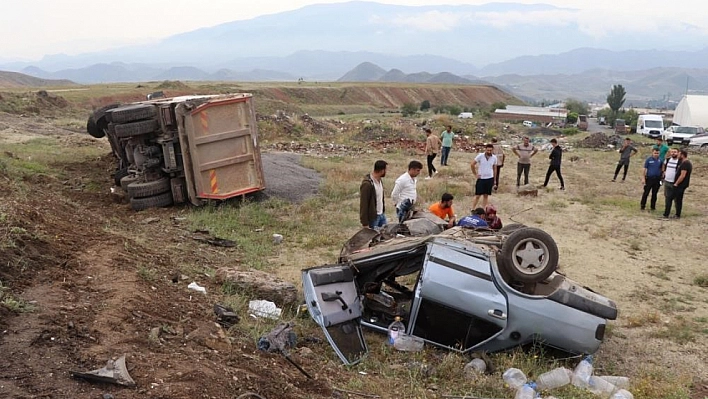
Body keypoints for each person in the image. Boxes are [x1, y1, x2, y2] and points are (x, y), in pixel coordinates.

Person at [663, 149, 692, 219]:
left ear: (682, 155)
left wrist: (676, 183)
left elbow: (682, 175)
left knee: (670, 198)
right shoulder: (684, 163)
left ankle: (667, 214)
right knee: (676, 199)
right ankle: (676, 214)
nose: (678, 155)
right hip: (678, 184)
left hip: (680, 185)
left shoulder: (685, 163)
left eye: (679, 154)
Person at [359, 160, 388, 229]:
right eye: (386, 170)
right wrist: (365, 223)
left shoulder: (380, 181)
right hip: (373, 218)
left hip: (381, 215)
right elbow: (364, 204)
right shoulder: (367, 184)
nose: (386, 172)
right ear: (382, 171)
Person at [470, 144, 497, 210]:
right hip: (481, 178)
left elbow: (495, 168)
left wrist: (494, 179)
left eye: (490, 150)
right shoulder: (480, 156)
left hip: (490, 178)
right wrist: (475, 174)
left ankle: (484, 209)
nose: (489, 152)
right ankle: (472, 209)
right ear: (485, 149)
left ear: (492, 150)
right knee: (478, 195)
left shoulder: (494, 157)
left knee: (486, 195)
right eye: (488, 150)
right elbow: (472, 164)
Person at [661, 148, 681, 218]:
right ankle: (666, 214)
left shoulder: (680, 161)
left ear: (678, 153)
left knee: (676, 199)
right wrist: (664, 172)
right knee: (667, 198)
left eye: (675, 152)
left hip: (674, 183)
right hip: (667, 181)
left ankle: (677, 214)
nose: (673, 153)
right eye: (672, 152)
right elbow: (663, 165)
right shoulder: (668, 159)